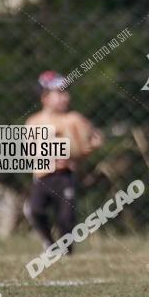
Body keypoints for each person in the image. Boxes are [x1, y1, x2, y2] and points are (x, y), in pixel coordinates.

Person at [23, 70, 104, 253]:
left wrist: (85, 149)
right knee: (35, 210)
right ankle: (48, 243)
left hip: (65, 176)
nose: (64, 97)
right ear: (44, 97)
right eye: (58, 93)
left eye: (65, 93)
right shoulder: (34, 122)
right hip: (43, 176)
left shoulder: (74, 119)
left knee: (66, 216)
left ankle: (66, 251)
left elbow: (94, 140)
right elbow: (30, 151)